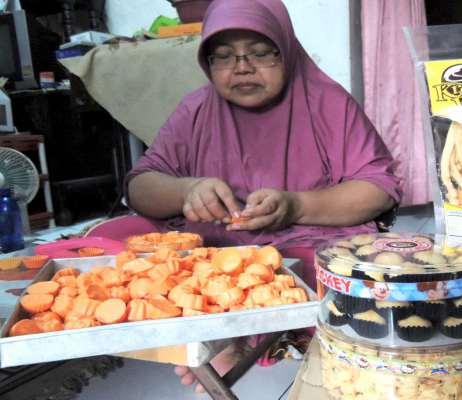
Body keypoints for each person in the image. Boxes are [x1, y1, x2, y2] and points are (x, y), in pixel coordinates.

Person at [125, 0, 402, 393]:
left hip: (307, 240)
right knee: (123, 239)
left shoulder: (328, 102)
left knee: (335, 270)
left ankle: (264, 337)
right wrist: (187, 190)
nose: (242, 67)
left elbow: (378, 189)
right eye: (223, 57)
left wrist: (295, 206)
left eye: (260, 53)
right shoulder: (196, 109)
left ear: (286, 50)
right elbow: (140, 187)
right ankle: (227, 335)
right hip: (213, 247)